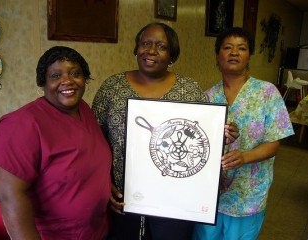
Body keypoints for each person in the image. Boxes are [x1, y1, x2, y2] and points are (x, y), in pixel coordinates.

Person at [92, 22, 238, 240]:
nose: (151, 50)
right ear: (136, 48)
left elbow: (202, 135)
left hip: (175, 197)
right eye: (145, 43)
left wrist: (223, 133)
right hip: (123, 195)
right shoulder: (112, 87)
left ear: (172, 55)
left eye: (161, 46)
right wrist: (105, 181)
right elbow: (95, 139)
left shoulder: (189, 89)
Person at [0, 46, 112, 240]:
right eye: (55, 76)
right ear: (43, 82)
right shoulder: (22, 124)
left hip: (99, 230)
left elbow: (90, 158)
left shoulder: (84, 109)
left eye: (75, 73)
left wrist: (106, 185)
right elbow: (8, 195)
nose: (67, 81)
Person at [192, 27, 294, 240]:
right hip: (211, 193)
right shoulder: (208, 96)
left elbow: (274, 143)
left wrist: (244, 156)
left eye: (242, 48)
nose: (234, 53)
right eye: (227, 47)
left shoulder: (267, 93)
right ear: (218, 55)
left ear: (249, 56)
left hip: (248, 193)